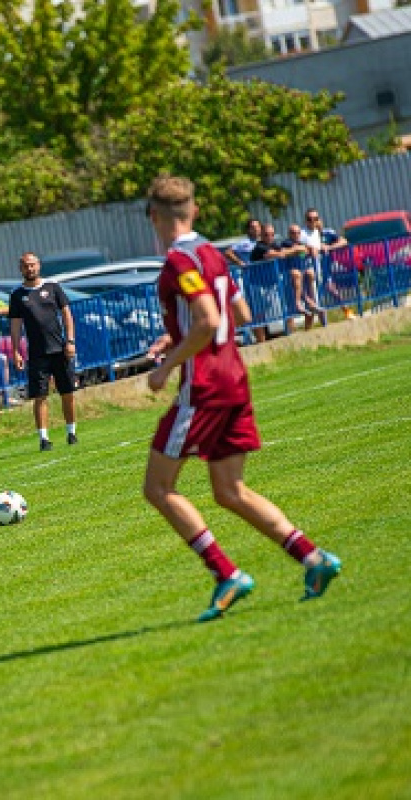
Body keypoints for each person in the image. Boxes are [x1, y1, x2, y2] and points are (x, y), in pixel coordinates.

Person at [142, 175, 341, 622]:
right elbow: (241, 313)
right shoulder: (212, 252)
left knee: (158, 488)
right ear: (193, 211)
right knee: (229, 490)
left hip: (204, 387)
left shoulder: (178, 259)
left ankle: (226, 574)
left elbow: (209, 319)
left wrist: (167, 364)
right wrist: (178, 332)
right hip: (235, 378)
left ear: (154, 217)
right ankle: (313, 558)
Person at [9, 252, 78, 451]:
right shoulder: (17, 295)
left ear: (38, 265)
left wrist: (70, 341)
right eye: (25, 266)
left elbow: (67, 315)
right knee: (39, 396)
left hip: (59, 348)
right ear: (20, 268)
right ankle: (44, 438)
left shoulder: (53, 287)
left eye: (32, 265)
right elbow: (15, 326)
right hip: (37, 353)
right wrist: (15, 351)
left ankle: (71, 432)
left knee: (67, 392)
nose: (29, 269)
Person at [246, 223, 291, 341]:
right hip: (257, 285)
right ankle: (261, 341)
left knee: (284, 309)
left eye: (272, 234)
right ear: (261, 235)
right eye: (266, 235)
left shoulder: (274, 245)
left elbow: (284, 251)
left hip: (271, 284)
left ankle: (290, 335)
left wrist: (290, 251)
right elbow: (272, 254)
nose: (269, 237)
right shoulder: (259, 247)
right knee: (258, 314)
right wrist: (285, 253)